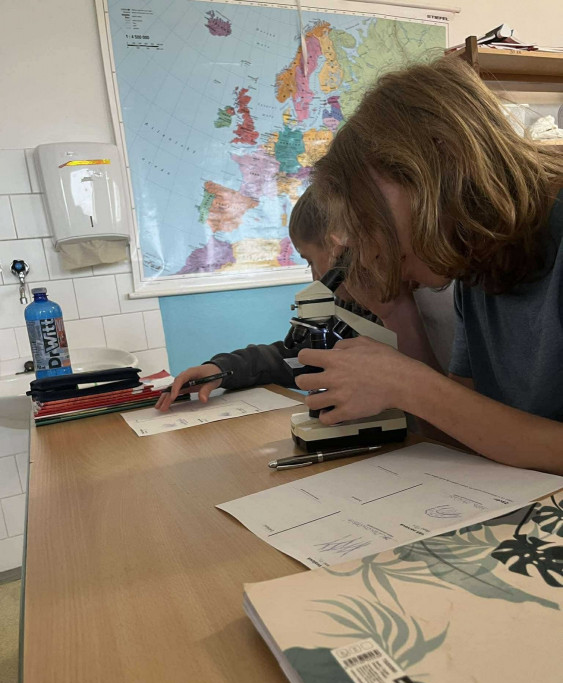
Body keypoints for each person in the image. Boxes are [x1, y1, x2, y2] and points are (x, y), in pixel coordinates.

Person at [295, 55, 563, 473]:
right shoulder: (475, 260)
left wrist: (409, 385)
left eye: (368, 217)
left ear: (442, 161)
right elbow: (463, 434)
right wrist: (397, 312)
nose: (368, 252)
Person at [155, 188, 395, 411]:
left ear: (341, 250)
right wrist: (221, 369)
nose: (314, 277)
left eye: (310, 261)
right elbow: (292, 358)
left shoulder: (395, 312)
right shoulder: (347, 307)